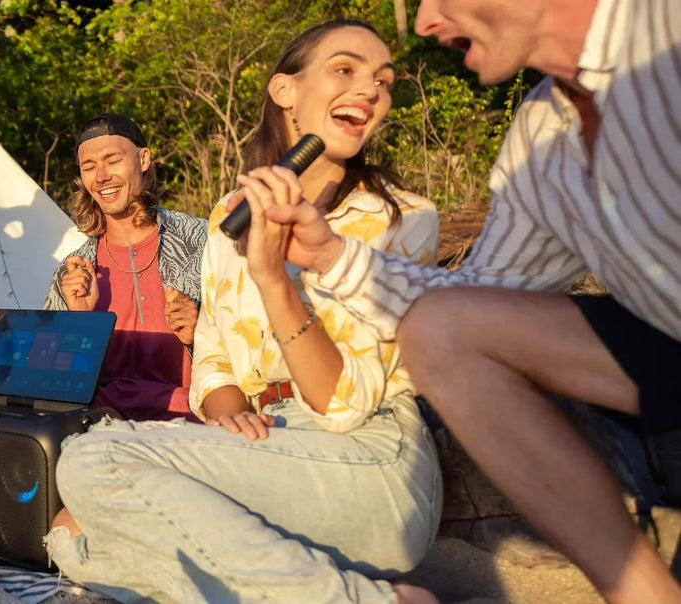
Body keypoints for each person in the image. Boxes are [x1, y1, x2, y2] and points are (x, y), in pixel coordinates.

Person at [258, 1, 681, 601]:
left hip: (373, 440)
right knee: (443, 330)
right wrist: (329, 254)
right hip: (663, 348)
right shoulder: (542, 136)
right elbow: (483, 299)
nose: (427, 22)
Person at [45, 21, 444, 603]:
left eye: (382, 81)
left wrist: (273, 277)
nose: (370, 90)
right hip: (251, 446)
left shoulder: (400, 218)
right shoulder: (226, 216)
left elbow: (344, 404)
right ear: (285, 91)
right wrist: (230, 413)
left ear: (144, 161)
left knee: (90, 468)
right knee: (65, 533)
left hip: (367, 455)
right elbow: (214, 356)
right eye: (345, 70)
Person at [43, 113, 209, 421]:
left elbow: (251, 342)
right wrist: (81, 321)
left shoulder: (203, 243)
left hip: (195, 424)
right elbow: (53, 382)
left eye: (112, 160)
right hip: (103, 430)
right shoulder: (71, 275)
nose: (101, 176)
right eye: (89, 167)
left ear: (143, 159)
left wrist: (201, 331)